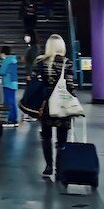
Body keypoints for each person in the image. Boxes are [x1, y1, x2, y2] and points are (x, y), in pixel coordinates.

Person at [34, 34, 76, 178]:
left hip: (46, 103)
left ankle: (48, 166)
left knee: (46, 137)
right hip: (62, 103)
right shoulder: (67, 62)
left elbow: (37, 85)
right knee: (62, 139)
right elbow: (70, 85)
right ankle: (59, 168)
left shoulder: (42, 62)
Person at [0, 45, 19, 125]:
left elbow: (2, 72)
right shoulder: (13, 59)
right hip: (14, 83)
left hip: (7, 83)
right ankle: (14, 119)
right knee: (12, 101)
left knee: (8, 102)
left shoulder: (6, 60)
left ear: (3, 53)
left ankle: (11, 120)